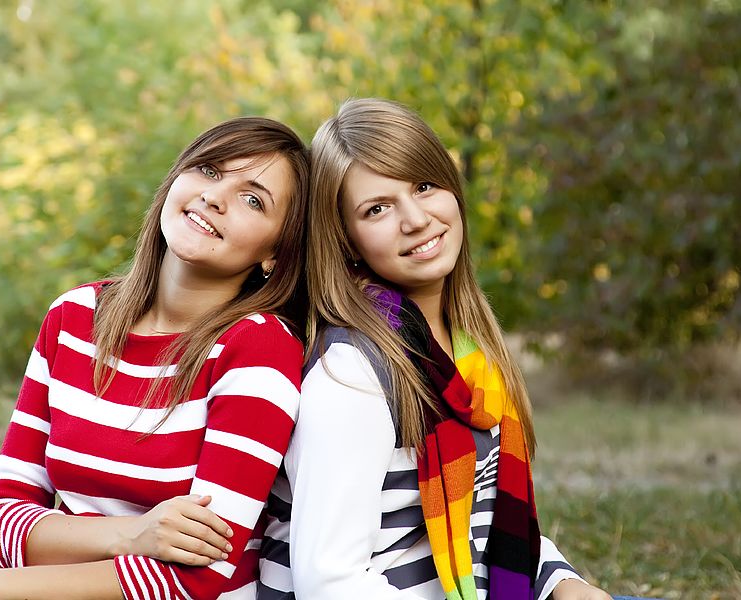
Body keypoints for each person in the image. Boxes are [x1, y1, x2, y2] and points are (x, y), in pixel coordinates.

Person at [258, 98, 613, 600]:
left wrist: (563, 582)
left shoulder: (466, 348)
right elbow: (329, 582)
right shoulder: (354, 372)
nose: (416, 219)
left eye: (424, 186)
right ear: (347, 241)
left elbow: (483, 520)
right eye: (377, 208)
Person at [0, 117, 310, 600]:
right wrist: (133, 534)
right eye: (208, 170)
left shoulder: (258, 350)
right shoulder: (74, 317)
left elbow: (200, 575)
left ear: (275, 253)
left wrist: (5, 585)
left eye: (253, 199)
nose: (215, 197)